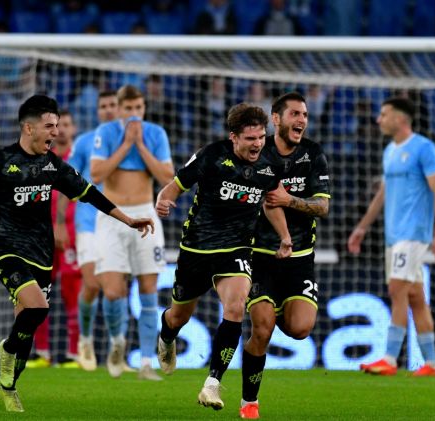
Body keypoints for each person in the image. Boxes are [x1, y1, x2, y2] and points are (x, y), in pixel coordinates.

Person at [0, 94, 154, 412]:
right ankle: (6, 351)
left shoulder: (52, 164)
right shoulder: (0, 162)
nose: (55, 132)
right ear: (29, 128)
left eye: (57, 126)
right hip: (4, 247)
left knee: (28, 323)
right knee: (38, 307)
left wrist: (128, 219)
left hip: (40, 252)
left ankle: (8, 384)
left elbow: (89, 193)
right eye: (49, 126)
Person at [155, 102, 292, 410]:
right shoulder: (211, 155)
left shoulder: (269, 166)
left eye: (261, 137)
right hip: (197, 249)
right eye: (250, 138)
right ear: (234, 137)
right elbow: (174, 188)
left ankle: (212, 384)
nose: (257, 143)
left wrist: (284, 237)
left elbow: (272, 201)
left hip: (237, 248)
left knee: (235, 306)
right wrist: (163, 201)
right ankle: (166, 335)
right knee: (179, 316)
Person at [240, 92, 331, 419]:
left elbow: (323, 206)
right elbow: (261, 198)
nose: (302, 120)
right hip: (260, 258)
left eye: (305, 115)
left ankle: (272, 306)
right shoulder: (257, 151)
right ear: (275, 119)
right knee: (261, 330)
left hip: (300, 260)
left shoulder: (313, 154)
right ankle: (249, 401)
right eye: (295, 114)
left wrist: (290, 200)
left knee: (300, 329)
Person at [348, 97, 435, 377]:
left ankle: (390, 359)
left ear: (401, 118)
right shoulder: (390, 151)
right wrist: (363, 226)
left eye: (384, 114)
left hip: (414, 233)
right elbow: (384, 192)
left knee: (396, 290)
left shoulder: (424, 148)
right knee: (415, 297)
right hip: (394, 235)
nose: (379, 120)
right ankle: (431, 363)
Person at [90, 84, 174, 381]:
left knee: (149, 291)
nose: (134, 114)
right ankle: (117, 342)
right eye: (128, 109)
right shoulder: (107, 133)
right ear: (119, 108)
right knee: (113, 291)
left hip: (146, 214)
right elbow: (97, 174)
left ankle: (147, 363)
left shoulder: (156, 134)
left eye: (138, 108)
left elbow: (167, 177)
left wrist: (140, 145)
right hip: (113, 217)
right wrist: (126, 144)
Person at [53, 91, 123, 371]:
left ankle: (118, 346)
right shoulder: (84, 143)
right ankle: (85, 340)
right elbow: (67, 182)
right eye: (102, 106)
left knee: (116, 291)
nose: (107, 110)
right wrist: (59, 222)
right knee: (92, 285)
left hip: (118, 225)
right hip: (87, 222)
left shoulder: (130, 143)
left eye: (112, 106)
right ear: (97, 111)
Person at [26, 110, 82, 368]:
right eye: (58, 125)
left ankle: (74, 354)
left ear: (73, 129)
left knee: (74, 294)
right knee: (40, 292)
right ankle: (42, 353)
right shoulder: (41, 159)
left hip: (73, 234)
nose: (62, 130)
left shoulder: (80, 158)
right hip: (41, 234)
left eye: (67, 125)